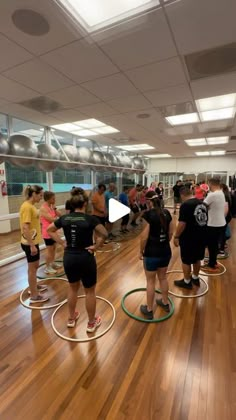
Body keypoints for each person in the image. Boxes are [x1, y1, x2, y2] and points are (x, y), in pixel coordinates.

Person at [47, 190, 108, 331]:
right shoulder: (90, 219)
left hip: (69, 258)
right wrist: (96, 246)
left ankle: (71, 318)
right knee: (89, 292)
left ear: (73, 204)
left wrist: (62, 243)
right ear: (85, 204)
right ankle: (91, 323)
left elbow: (50, 230)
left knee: (73, 289)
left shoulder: (65, 219)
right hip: (86, 257)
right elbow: (104, 233)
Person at [139, 191, 174, 319]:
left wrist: (140, 251)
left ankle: (149, 310)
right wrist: (163, 244)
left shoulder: (147, 215)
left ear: (149, 202)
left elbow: (144, 237)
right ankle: (165, 303)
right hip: (165, 251)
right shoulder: (167, 213)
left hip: (151, 253)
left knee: (150, 281)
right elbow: (171, 233)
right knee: (163, 278)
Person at [173, 187, 208, 289]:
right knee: (197, 258)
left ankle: (187, 281)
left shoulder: (186, 205)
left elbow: (182, 223)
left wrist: (176, 236)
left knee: (186, 260)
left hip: (189, 237)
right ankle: (195, 277)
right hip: (202, 236)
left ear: (182, 195)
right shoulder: (202, 204)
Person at [20, 185, 49, 303]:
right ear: (34, 194)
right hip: (29, 243)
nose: (41, 198)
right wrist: (32, 245)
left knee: (34, 267)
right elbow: (25, 228)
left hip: (32, 242)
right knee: (32, 269)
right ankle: (34, 296)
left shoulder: (30, 206)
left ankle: (33, 287)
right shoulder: (27, 207)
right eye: (40, 195)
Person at [202, 178, 226, 272]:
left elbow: (203, 205)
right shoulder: (221, 193)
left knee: (211, 245)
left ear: (211, 184)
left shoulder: (213, 195)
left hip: (213, 224)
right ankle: (213, 261)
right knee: (215, 244)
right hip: (221, 223)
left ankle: (212, 264)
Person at [40, 191, 61, 275]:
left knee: (54, 248)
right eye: (53, 198)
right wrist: (59, 220)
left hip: (53, 231)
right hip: (47, 232)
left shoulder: (52, 206)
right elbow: (51, 219)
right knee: (49, 250)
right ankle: (47, 267)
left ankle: (52, 263)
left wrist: (55, 208)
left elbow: (60, 215)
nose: (54, 200)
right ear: (48, 199)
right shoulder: (43, 208)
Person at [218, 183, 232, 257]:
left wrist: (222, 218)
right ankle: (221, 247)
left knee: (222, 233)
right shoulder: (227, 195)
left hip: (224, 217)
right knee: (222, 232)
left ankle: (221, 250)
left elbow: (225, 209)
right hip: (227, 217)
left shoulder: (224, 196)